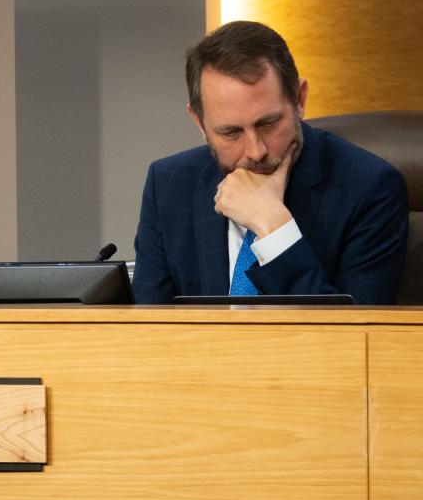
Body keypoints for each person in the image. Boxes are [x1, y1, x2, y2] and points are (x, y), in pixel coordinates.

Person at [132, 20, 408, 304]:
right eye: (231, 132)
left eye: (268, 123)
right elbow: (149, 332)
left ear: (299, 100)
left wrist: (273, 227)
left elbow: (355, 339)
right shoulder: (168, 184)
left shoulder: (370, 188)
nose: (255, 151)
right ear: (199, 122)